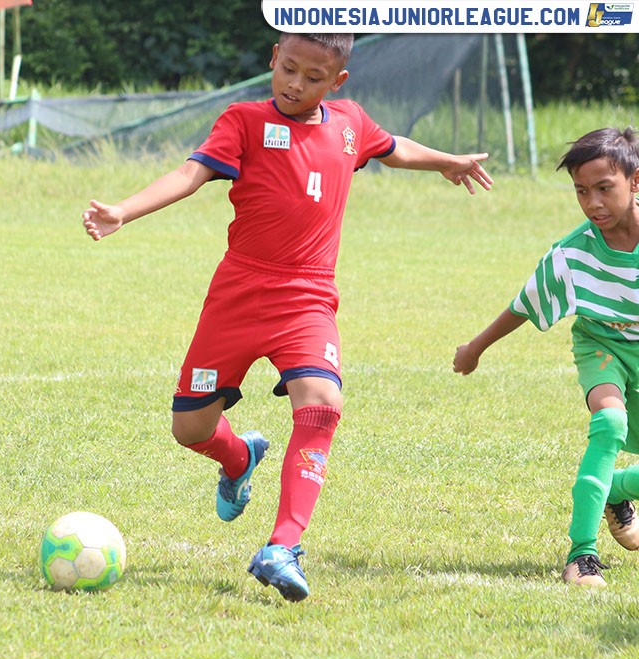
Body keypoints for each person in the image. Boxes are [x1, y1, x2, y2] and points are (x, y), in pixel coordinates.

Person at [82, 33, 493, 602]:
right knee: (190, 429)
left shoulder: (349, 123)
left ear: (338, 82)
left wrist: (446, 161)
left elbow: (392, 146)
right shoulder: (244, 121)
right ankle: (239, 456)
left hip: (308, 297)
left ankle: (283, 546)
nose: (296, 84)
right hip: (238, 295)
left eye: (313, 77)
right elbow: (190, 174)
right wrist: (124, 211)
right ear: (273, 58)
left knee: (323, 403)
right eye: (289, 68)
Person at [454, 127, 639, 588]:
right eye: (581, 191)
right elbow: (524, 304)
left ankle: (614, 489)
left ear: (635, 181)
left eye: (604, 188)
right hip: (602, 347)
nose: (593, 203)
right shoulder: (572, 254)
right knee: (610, 424)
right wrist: (475, 348)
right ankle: (582, 556)